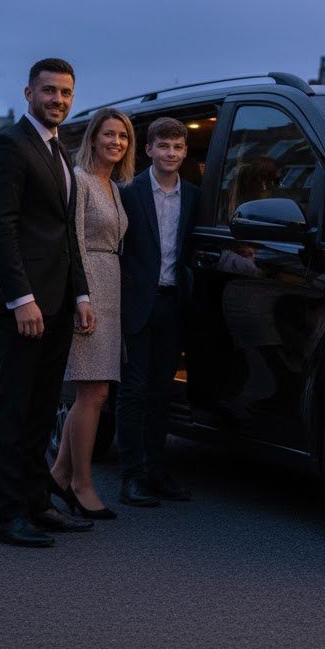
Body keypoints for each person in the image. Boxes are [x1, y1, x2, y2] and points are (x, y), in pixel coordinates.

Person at [0, 58, 96, 548]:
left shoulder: (59, 151)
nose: (58, 100)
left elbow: (68, 234)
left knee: (44, 409)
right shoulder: (9, 145)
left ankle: (39, 503)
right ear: (28, 93)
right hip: (23, 304)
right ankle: (10, 516)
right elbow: (1, 227)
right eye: (49, 91)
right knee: (14, 408)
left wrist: (81, 294)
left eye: (65, 92)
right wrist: (22, 298)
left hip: (59, 302)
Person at [49, 108, 135, 520]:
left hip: (112, 284)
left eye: (123, 136)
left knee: (96, 392)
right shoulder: (81, 181)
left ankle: (59, 475)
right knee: (93, 393)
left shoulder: (114, 187)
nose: (116, 142)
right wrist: (81, 297)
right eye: (109, 134)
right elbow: (74, 243)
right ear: (93, 139)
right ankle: (82, 483)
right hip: (90, 288)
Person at [117, 117, 200, 506]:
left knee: (161, 393)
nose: (171, 153)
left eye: (178, 147)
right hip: (136, 305)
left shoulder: (195, 196)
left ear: (184, 152)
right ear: (148, 149)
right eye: (163, 146)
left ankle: (156, 471)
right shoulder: (129, 193)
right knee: (133, 392)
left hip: (172, 303)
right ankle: (131, 477)